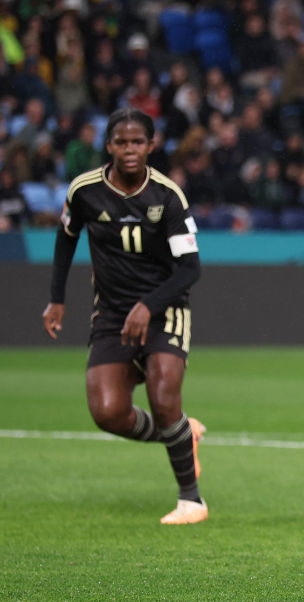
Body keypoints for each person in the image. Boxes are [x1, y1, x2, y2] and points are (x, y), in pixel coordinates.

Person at [41, 108, 208, 524]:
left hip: (164, 310)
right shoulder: (84, 191)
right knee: (108, 412)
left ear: (151, 146)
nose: (129, 150)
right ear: (109, 145)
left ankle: (192, 501)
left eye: (138, 142)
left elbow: (190, 268)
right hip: (113, 313)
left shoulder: (168, 196)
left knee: (164, 398)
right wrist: (56, 298)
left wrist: (148, 305)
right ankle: (186, 435)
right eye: (121, 142)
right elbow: (66, 240)